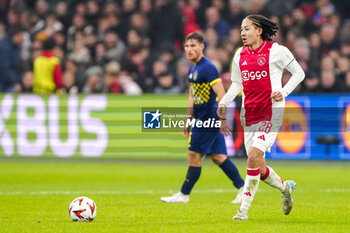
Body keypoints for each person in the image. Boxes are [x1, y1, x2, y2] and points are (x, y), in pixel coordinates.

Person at [217, 15, 305, 220]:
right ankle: (285, 188)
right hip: (249, 114)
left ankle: (243, 211)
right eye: (241, 29)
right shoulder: (239, 55)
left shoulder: (277, 51)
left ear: (258, 31)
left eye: (247, 29)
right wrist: (223, 102)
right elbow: (237, 85)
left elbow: (299, 73)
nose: (242, 33)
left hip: (271, 112)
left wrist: (283, 91)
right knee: (258, 166)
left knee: (253, 156)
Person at [161, 32, 245, 204]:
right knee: (218, 157)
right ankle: (244, 189)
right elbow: (192, 96)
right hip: (201, 116)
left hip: (208, 117)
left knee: (193, 155)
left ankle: (184, 195)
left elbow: (222, 94)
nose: (189, 49)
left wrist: (222, 120)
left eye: (193, 45)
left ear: (202, 46)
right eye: (187, 46)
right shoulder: (192, 69)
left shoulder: (208, 68)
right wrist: (187, 119)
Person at [0, 26, 24, 92]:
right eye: (21, 36)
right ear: (15, 36)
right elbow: (4, 68)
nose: (22, 39)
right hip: (3, 82)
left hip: (10, 80)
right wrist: (16, 81)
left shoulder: (15, 46)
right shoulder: (4, 47)